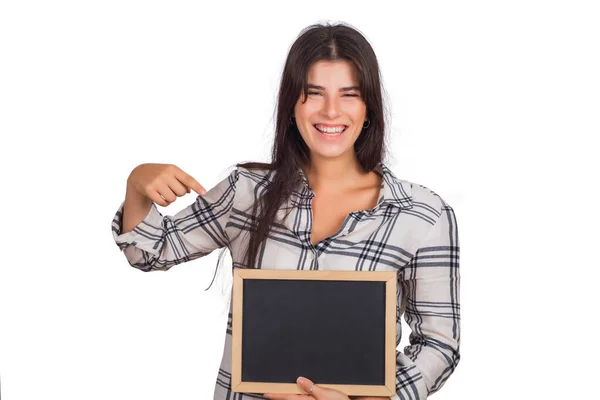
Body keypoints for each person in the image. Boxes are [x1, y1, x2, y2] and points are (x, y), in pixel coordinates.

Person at [111, 22, 460, 400]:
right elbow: (148, 252)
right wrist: (136, 184)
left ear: (368, 107)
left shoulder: (424, 215)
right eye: (314, 94)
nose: (330, 111)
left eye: (348, 95)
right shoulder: (246, 192)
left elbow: (438, 345)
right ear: (292, 105)